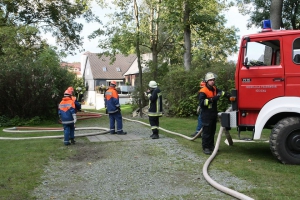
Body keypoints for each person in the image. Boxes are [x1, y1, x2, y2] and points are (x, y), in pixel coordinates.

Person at [199, 72, 229, 155]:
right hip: (206, 114)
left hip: (213, 114)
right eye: (211, 80)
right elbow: (202, 103)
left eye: (213, 80)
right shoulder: (203, 91)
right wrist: (212, 99)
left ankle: (211, 146)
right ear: (207, 81)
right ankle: (205, 147)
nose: (212, 81)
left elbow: (221, 92)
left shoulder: (214, 88)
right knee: (207, 132)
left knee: (212, 131)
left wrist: (228, 95)